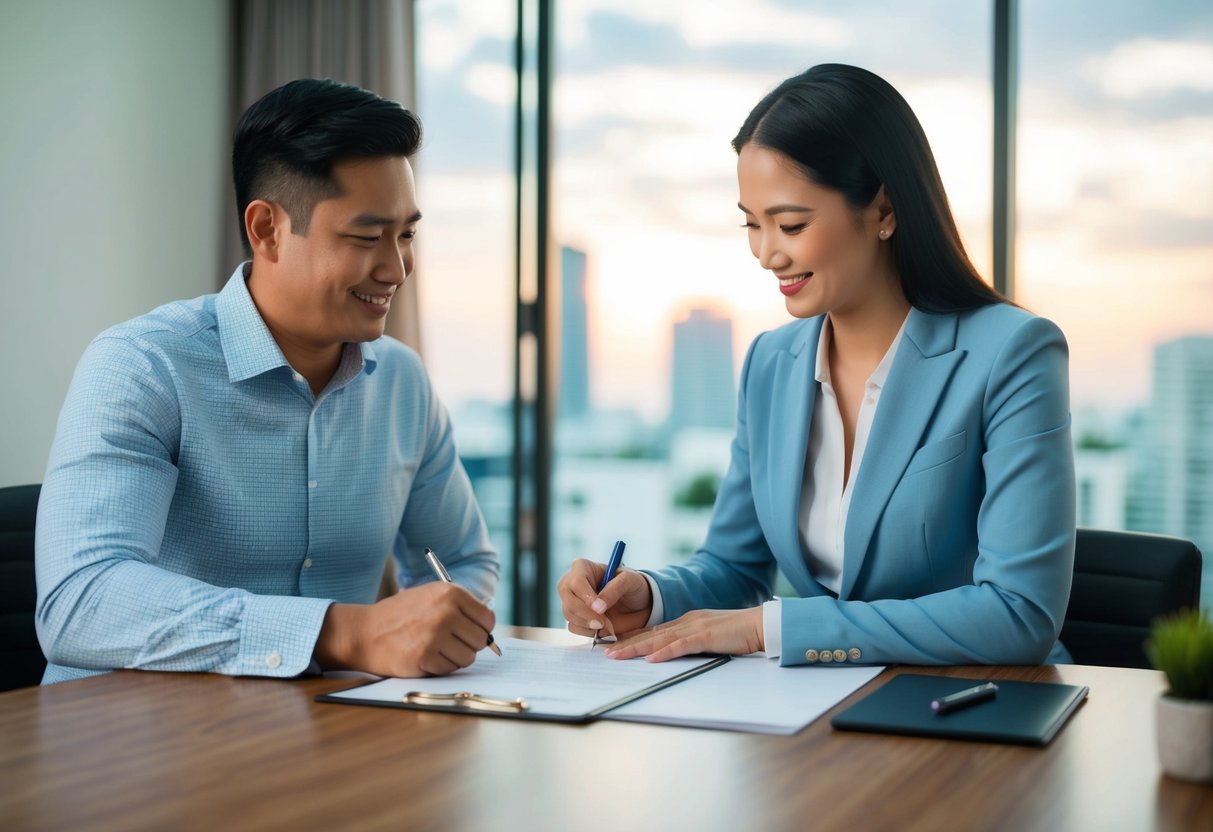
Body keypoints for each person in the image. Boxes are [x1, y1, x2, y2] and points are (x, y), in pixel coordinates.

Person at [558, 64, 1076, 667]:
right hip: (817, 721)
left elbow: (1018, 614)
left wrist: (768, 629)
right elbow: (733, 567)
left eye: (791, 224)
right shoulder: (771, 363)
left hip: (973, 713)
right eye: (751, 225)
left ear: (883, 209)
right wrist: (647, 596)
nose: (766, 253)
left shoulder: (1013, 352)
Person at [35, 79, 499, 684]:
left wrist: (444, 628)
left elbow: (462, 559)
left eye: (406, 233)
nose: (396, 267)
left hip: (334, 736)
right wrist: (341, 634)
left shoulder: (403, 382)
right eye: (365, 237)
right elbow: (80, 600)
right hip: (136, 751)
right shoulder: (142, 366)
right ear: (267, 229)